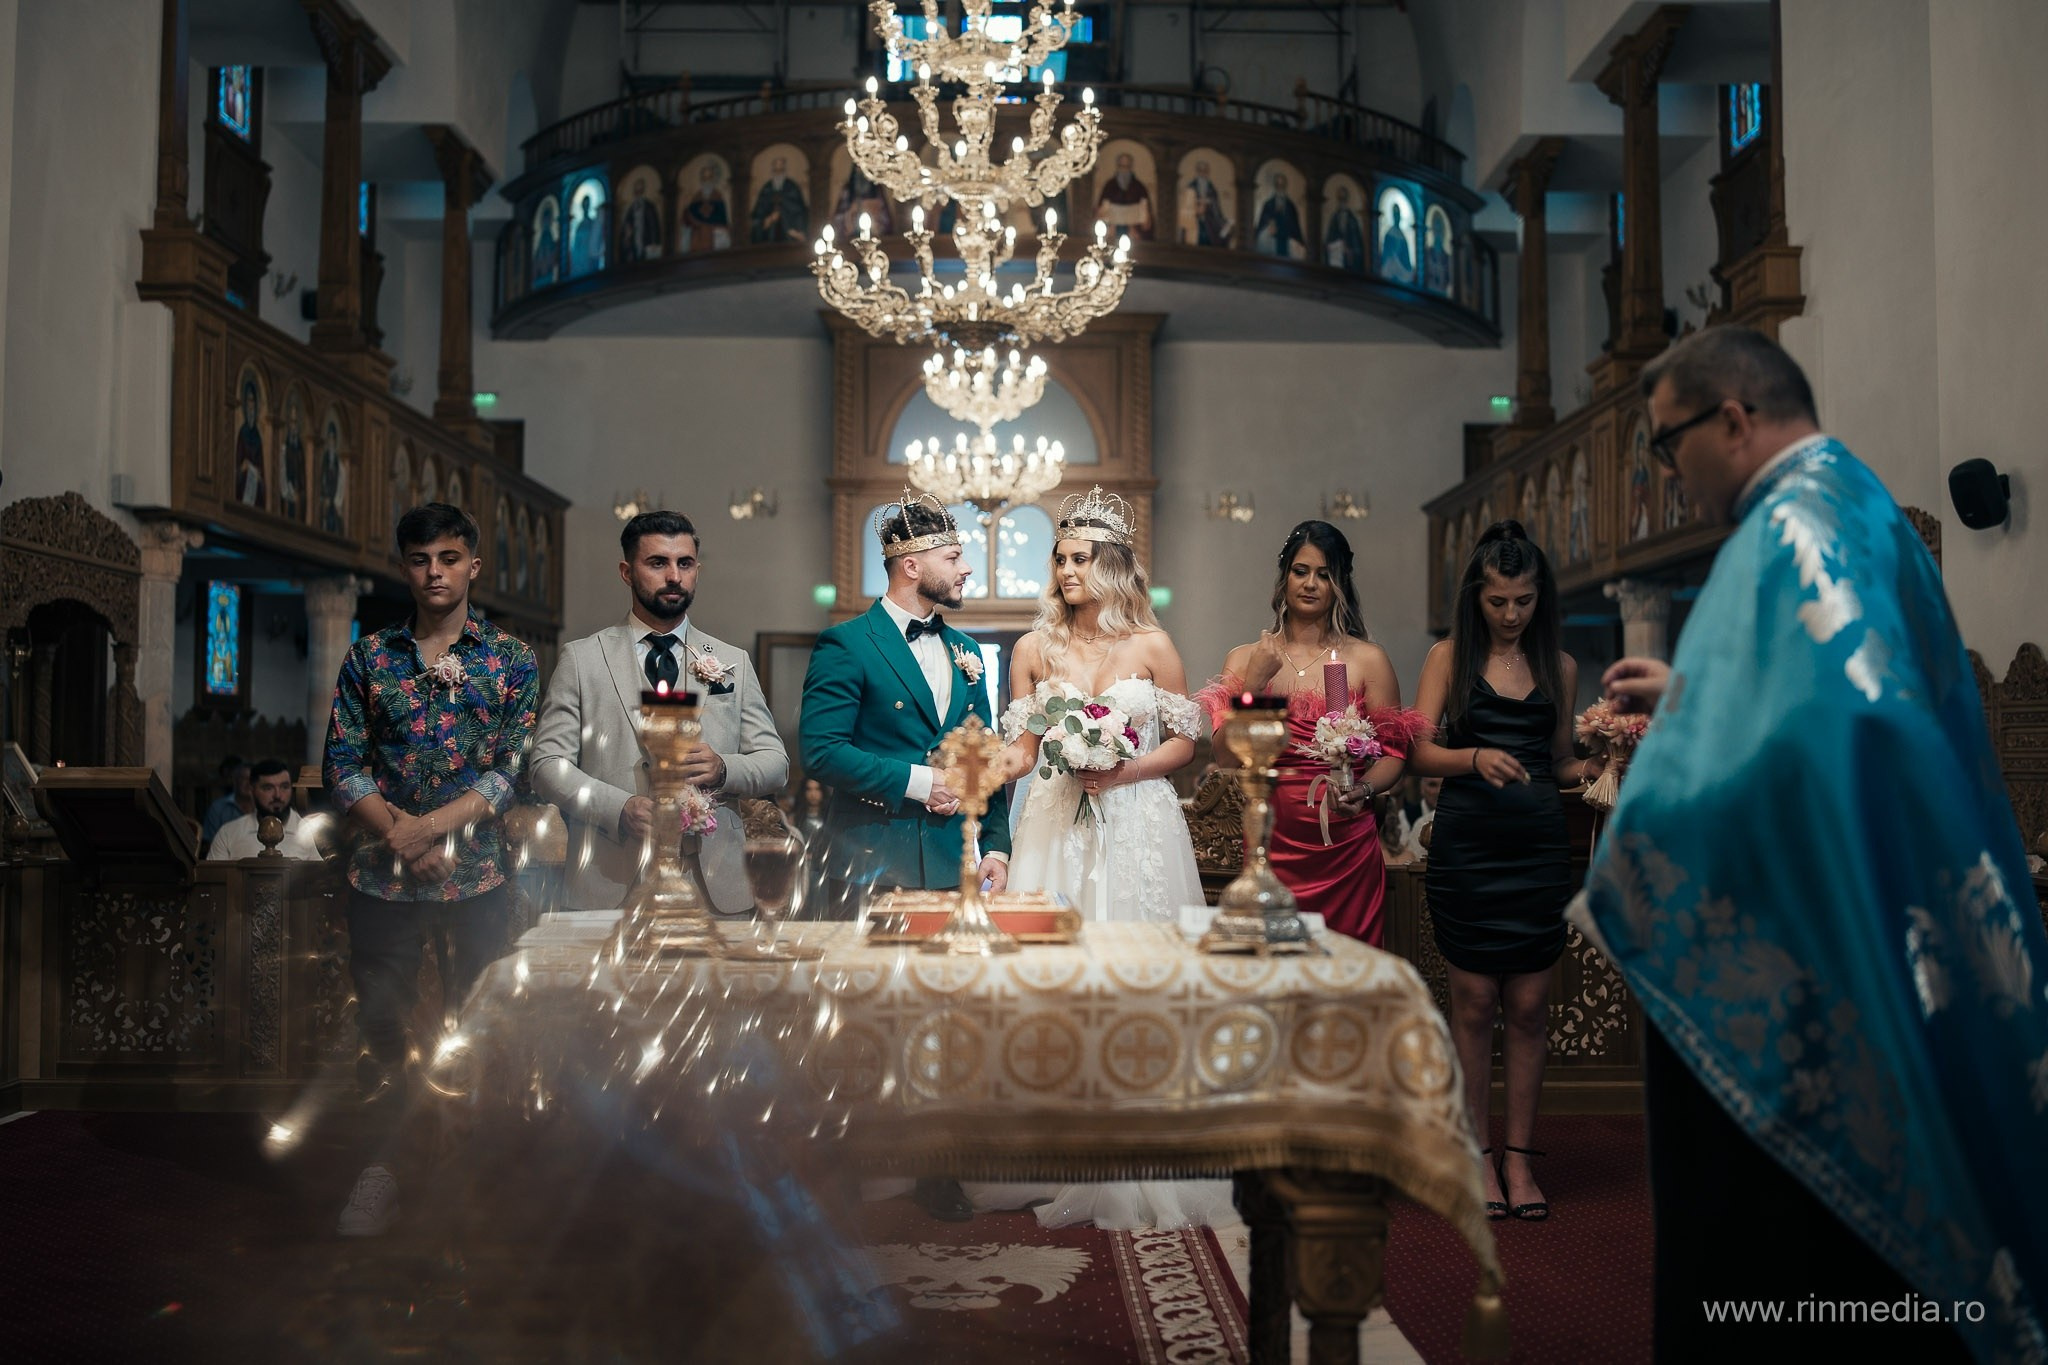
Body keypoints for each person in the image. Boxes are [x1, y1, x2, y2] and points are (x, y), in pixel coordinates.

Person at [1577, 326, 2047, 1362]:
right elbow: (1838, 703)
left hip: (1813, 959)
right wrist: (1699, 698)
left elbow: (1851, 730)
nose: (1666, 476)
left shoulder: (1785, 528)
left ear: (1733, 420)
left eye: (1667, 446)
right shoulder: (1852, 498)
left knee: (1792, 1277)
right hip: (1893, 908)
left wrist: (1660, 789)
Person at [972, 486, 1223, 1232]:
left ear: (1111, 565)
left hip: (1138, 820)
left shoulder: (1152, 644)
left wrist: (1124, 772)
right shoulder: (1032, 649)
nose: (1067, 570)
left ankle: (1143, 1135)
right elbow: (1021, 750)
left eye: (1081, 558)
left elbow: (1186, 741)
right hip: (1053, 820)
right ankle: (1054, 1141)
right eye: (1061, 557)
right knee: (1051, 974)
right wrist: (979, 769)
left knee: (1139, 967)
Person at [322, 502, 539, 1238]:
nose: (435, 571)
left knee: (476, 1024)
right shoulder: (369, 657)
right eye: (420, 559)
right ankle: (384, 1165)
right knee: (385, 1025)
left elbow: (512, 766)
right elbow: (342, 762)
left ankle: (471, 1169)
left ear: (473, 565)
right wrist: (400, 836)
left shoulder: (510, 659)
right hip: (383, 878)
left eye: (448, 557)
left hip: (476, 874)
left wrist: (437, 828)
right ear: (404, 566)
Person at [799, 492, 1010, 1224]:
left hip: (952, 867)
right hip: (872, 858)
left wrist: (1000, 847)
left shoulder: (966, 651)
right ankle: (846, 1166)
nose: (966, 568)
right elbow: (821, 751)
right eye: (955, 556)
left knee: (946, 1019)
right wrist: (923, 783)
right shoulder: (847, 644)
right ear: (909, 563)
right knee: (863, 1016)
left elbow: (982, 757)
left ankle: (937, 1166)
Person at [1407, 520, 1603, 1224]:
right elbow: (1417, 753)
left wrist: (1606, 760)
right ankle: (1474, 1154)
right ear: (1476, 598)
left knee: (1527, 1007)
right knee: (1475, 1005)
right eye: (1498, 601)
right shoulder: (1449, 658)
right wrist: (1472, 757)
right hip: (1469, 852)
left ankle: (1519, 1158)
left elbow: (1557, 764)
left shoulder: (1561, 665)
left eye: (1523, 600)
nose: (1512, 614)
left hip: (1539, 854)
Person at [530, 511, 787, 916]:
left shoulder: (730, 659)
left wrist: (723, 768)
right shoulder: (582, 659)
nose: (674, 576)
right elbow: (547, 766)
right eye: (657, 563)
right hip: (613, 878)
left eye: (684, 564)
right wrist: (618, 808)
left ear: (696, 570)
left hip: (716, 882)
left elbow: (775, 764)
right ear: (626, 571)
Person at [1214, 521, 1419, 946]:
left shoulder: (1368, 660)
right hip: (1273, 838)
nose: (1310, 584)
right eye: (1300, 571)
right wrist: (1252, 685)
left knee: (1348, 979)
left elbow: (1394, 754)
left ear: (1340, 583)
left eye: (1324, 574)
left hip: (1345, 842)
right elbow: (1226, 757)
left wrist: (1360, 790)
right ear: (1284, 576)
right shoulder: (1247, 657)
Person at [205, 757, 320, 860]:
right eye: (268, 788)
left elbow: (321, 880)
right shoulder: (228, 833)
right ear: (252, 790)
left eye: (284, 787)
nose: (278, 795)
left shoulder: (310, 833)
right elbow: (214, 880)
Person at [748, 156, 808, 244]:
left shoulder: (792, 186)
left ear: (784, 170)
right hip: (769, 231)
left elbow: (799, 208)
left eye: (781, 170)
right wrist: (770, 218)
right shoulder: (767, 188)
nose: (778, 174)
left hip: (789, 226)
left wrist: (781, 212)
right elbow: (759, 209)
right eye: (776, 171)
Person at [1094, 153, 1153, 241]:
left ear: (1131, 167)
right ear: (1117, 166)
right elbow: (1101, 211)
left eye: (1127, 166)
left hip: (1133, 235)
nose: (1124, 170)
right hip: (1113, 233)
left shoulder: (1139, 187)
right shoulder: (1109, 186)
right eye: (1121, 166)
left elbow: (1146, 215)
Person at [201, 756, 252, 846]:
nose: (248, 783)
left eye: (251, 779)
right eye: (244, 778)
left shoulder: (265, 806)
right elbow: (209, 843)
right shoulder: (218, 808)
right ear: (235, 781)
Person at [1253, 173, 1305, 260]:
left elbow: (1295, 226)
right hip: (1271, 241)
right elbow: (1262, 223)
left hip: (1287, 239)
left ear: (1285, 187)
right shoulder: (1268, 204)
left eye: (1282, 186)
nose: (1280, 188)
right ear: (1275, 186)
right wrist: (1269, 225)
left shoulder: (1290, 206)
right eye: (1278, 185)